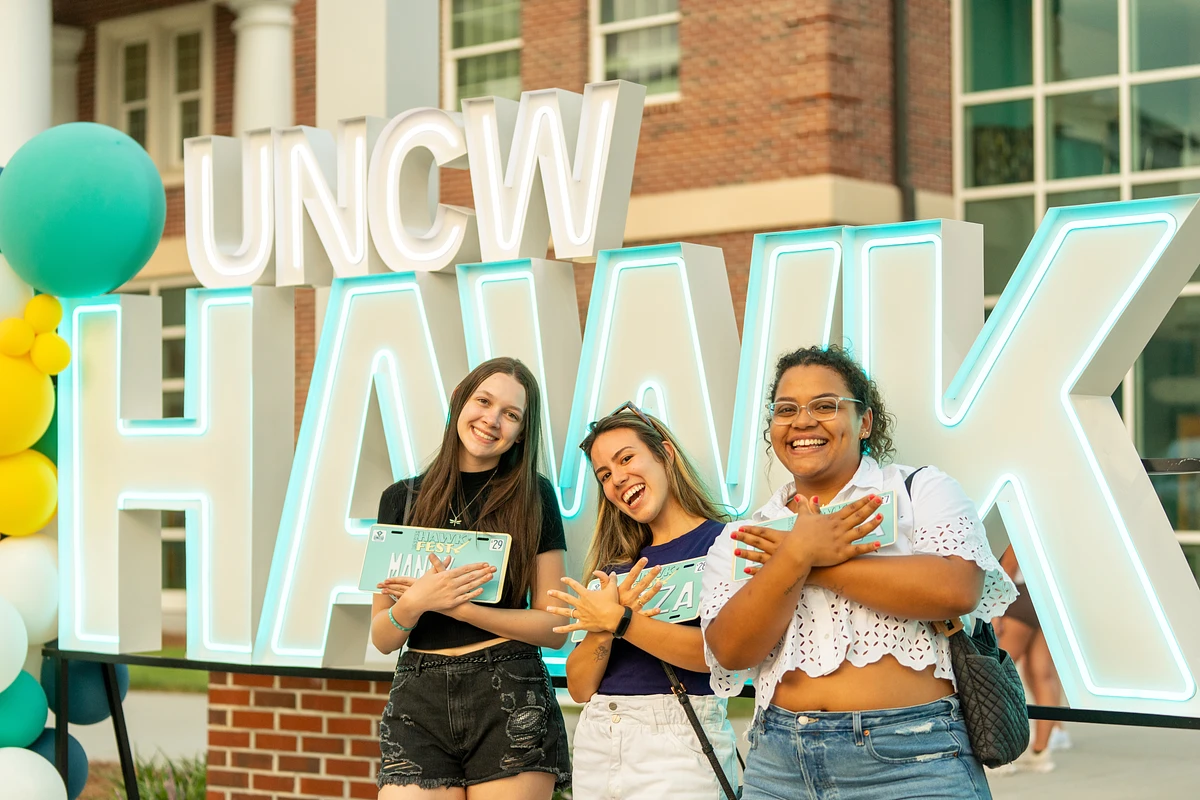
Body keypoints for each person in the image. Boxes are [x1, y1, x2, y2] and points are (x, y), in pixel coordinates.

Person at [701, 345, 1017, 800]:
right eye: (786, 409)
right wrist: (798, 555)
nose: (803, 421)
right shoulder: (746, 534)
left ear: (864, 421)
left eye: (825, 406)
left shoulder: (919, 490)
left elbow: (956, 588)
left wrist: (809, 560)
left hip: (912, 760)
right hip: (779, 766)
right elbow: (730, 648)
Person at [369, 357, 571, 799]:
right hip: (417, 696)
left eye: (511, 414)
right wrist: (419, 600)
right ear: (461, 400)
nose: (492, 420)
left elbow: (555, 628)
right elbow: (383, 636)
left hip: (510, 692)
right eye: (484, 401)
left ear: (521, 431)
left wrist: (460, 607)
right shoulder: (401, 500)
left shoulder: (534, 497)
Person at [544, 402, 740, 799]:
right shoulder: (618, 566)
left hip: (678, 744)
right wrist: (602, 630)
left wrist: (621, 620)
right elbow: (580, 687)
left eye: (626, 458)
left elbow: (720, 655)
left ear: (665, 454)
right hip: (599, 738)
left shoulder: (724, 543)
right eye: (604, 474)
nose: (617, 478)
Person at [992, 546, 1066, 774]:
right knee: (1041, 673)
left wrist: (995, 611)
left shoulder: (1014, 511)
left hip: (1019, 598)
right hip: (1046, 597)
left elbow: (1010, 565)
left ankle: (999, 758)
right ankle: (1040, 753)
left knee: (996, 675)